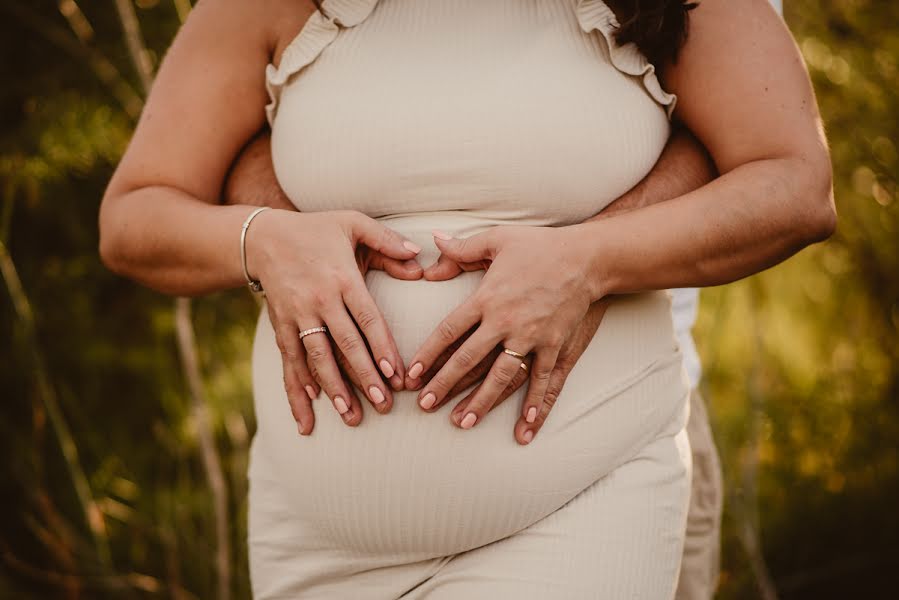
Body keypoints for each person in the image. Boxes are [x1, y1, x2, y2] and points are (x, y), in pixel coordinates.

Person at [99, 0, 833, 597]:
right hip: (313, 543)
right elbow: (136, 215)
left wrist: (584, 261)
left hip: (579, 501)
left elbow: (792, 183)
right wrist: (262, 240)